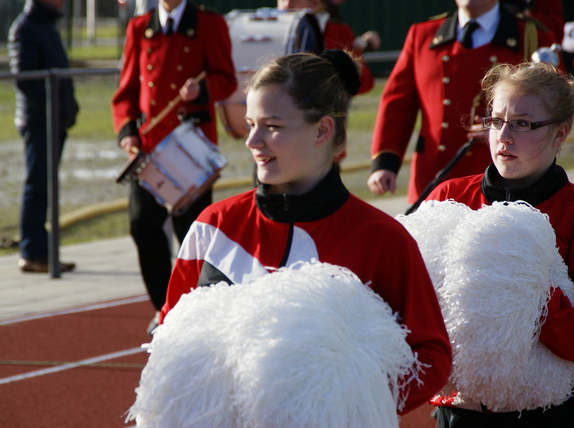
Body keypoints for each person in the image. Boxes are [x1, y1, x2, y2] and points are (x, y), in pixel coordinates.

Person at [159, 49, 453, 414]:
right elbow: (170, 335)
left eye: (273, 126)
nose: (253, 141)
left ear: (322, 130)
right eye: (251, 124)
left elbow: (432, 357)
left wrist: (344, 405)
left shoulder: (382, 240)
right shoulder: (214, 226)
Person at [426, 61, 574, 426]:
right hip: (455, 409)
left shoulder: (571, 211)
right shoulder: (450, 196)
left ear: (560, 134)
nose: (503, 136)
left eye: (523, 123)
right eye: (495, 120)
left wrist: (523, 291)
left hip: (546, 412)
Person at [111, 0, 237, 329]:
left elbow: (227, 79)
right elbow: (126, 94)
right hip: (150, 152)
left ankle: (197, 306)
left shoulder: (209, 24)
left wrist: (202, 89)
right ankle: (164, 307)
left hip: (190, 151)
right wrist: (128, 134)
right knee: (142, 225)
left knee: (193, 234)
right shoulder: (139, 28)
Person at [367, 0, 561, 205]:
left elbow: (555, 112)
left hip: (502, 184)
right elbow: (397, 104)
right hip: (433, 179)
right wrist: (385, 162)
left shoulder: (532, 36)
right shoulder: (423, 34)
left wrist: (509, 130)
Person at [8, 0, 79, 273]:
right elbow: (25, 78)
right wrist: (54, 107)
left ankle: (42, 251)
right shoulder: (25, 27)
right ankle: (32, 252)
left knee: (44, 187)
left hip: (53, 120)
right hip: (38, 122)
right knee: (37, 186)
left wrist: (67, 108)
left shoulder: (45, 25)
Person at [277, 0, 377, 94]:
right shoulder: (269, 28)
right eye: (282, 0)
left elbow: (361, 82)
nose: (287, 5)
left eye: (294, 0)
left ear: (312, 3)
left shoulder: (335, 29)